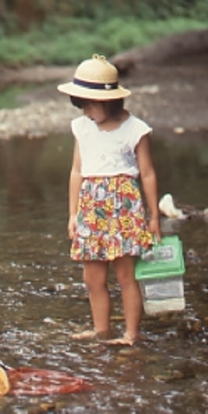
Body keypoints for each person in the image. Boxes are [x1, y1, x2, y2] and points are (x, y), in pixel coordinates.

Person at [60, 55, 161, 346]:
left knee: (126, 276)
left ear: (110, 101)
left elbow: (147, 174)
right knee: (92, 278)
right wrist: (72, 214)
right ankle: (101, 330)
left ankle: (131, 334)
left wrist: (154, 216)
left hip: (124, 206)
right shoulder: (82, 127)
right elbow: (76, 171)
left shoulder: (135, 129)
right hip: (91, 206)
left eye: (91, 105)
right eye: (82, 105)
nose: (87, 111)